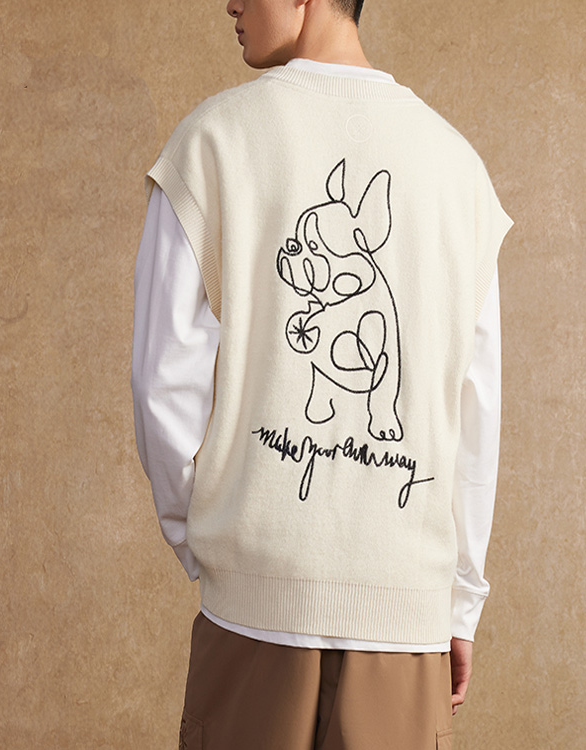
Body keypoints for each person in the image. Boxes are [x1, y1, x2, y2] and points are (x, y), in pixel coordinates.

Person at [131, 0, 513, 747]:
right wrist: (459, 602)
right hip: (407, 616)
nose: (230, 3)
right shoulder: (459, 171)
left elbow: (163, 384)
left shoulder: (211, 143)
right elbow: (476, 413)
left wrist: (210, 544)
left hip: (253, 615)